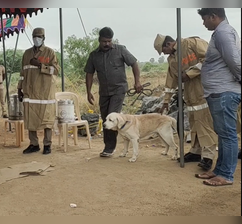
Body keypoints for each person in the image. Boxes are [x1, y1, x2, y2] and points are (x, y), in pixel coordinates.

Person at [154, 34, 218, 171]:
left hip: (204, 90)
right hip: (189, 96)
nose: (164, 53)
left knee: (205, 124)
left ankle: (208, 156)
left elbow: (210, 57)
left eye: (163, 50)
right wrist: (166, 101)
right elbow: (171, 81)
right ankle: (196, 152)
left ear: (168, 45)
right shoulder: (172, 59)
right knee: (194, 124)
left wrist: (190, 73)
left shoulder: (191, 43)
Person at [195, 8, 241, 186]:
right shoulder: (222, 33)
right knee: (223, 134)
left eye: (205, 18)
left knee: (228, 135)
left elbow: (234, 61)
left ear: (213, 16)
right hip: (219, 91)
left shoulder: (223, 33)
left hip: (224, 91)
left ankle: (226, 175)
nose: (204, 22)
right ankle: (219, 170)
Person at [84, 27, 142, 157]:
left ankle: (110, 148)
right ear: (99, 40)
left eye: (109, 41)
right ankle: (111, 145)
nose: (107, 44)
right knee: (106, 119)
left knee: (111, 116)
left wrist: (137, 82)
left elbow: (134, 63)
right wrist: (88, 92)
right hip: (104, 91)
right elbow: (89, 73)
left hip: (119, 90)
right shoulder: (94, 55)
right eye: (104, 41)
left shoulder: (120, 50)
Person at [17, 27, 60, 155]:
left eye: (39, 36)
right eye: (35, 36)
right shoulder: (27, 54)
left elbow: (56, 70)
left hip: (45, 92)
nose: (37, 38)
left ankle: (47, 144)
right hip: (30, 92)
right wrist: (19, 88)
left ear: (44, 38)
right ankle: (34, 144)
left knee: (47, 119)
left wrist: (40, 65)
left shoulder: (49, 53)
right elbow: (22, 72)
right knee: (30, 118)